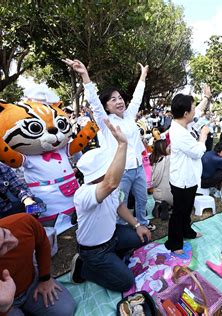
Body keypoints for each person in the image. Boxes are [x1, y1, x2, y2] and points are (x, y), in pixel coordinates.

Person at [65, 58, 156, 231]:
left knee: (142, 198)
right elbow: (94, 103)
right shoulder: (106, 122)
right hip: (120, 171)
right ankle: (121, 229)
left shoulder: (129, 116)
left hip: (138, 167)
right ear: (106, 106)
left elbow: (137, 98)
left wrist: (143, 76)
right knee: (119, 202)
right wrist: (85, 75)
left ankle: (143, 223)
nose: (119, 102)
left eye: (120, 98)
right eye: (113, 100)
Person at [70, 119, 151, 291]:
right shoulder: (85, 193)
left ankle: (114, 259)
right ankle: (84, 269)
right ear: (100, 174)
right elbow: (111, 184)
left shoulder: (107, 188)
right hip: (94, 251)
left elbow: (118, 204)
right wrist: (122, 144)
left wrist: (137, 225)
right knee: (125, 283)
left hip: (112, 236)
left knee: (141, 237)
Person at [165, 87, 211, 254]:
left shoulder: (183, 123)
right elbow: (198, 151)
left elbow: (197, 110)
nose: (194, 111)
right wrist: (203, 136)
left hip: (189, 178)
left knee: (186, 210)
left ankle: (187, 232)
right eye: (191, 109)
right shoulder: (179, 133)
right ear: (185, 113)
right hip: (182, 180)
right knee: (179, 212)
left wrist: (205, 98)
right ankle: (174, 243)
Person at [150, 139, 173, 206]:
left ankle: (160, 204)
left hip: (157, 194)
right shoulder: (170, 159)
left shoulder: (153, 161)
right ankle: (166, 206)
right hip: (170, 195)